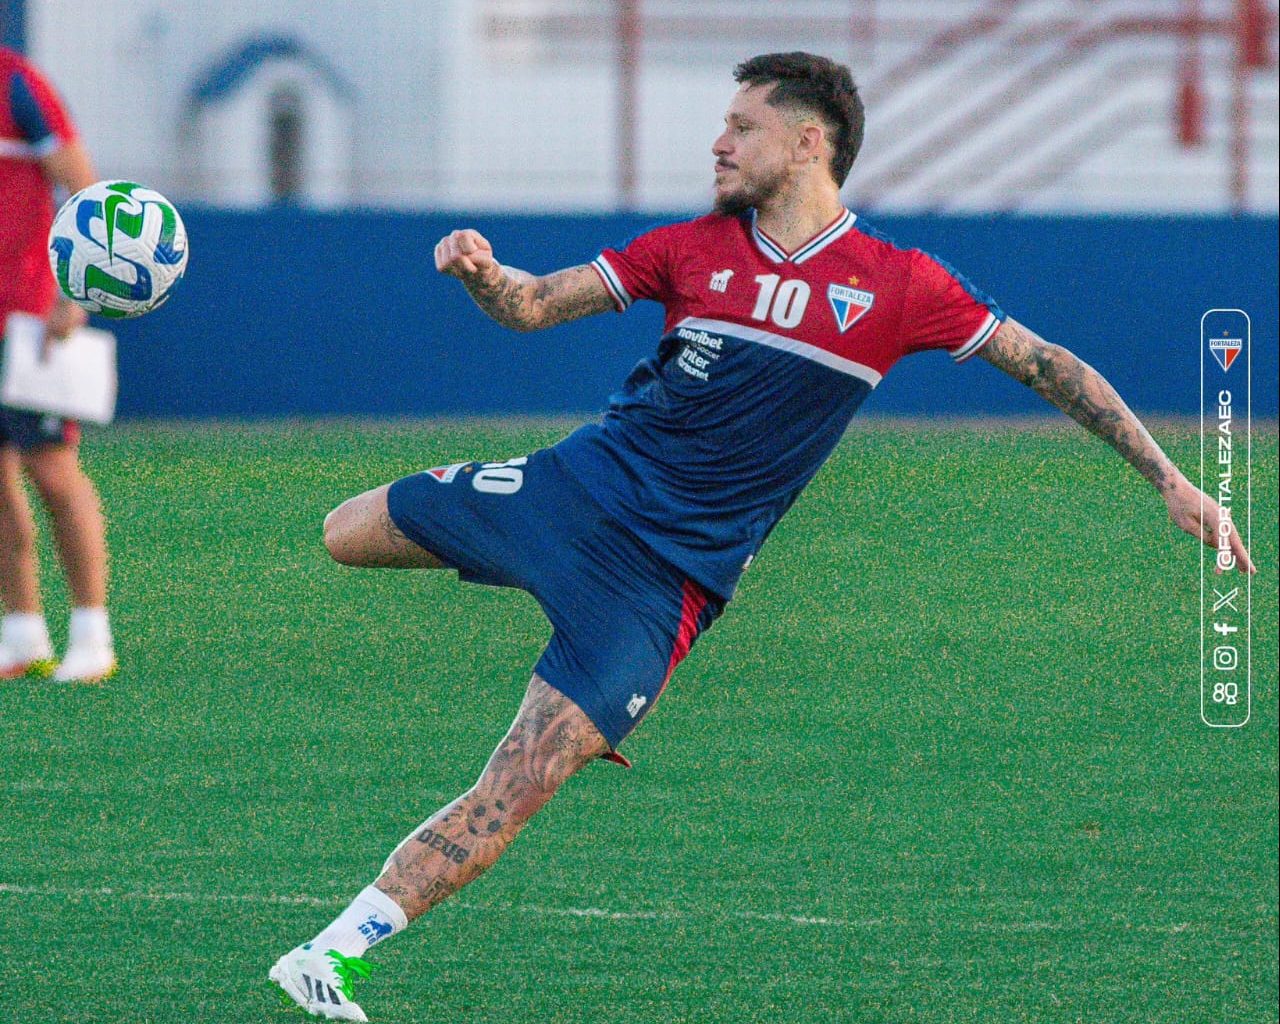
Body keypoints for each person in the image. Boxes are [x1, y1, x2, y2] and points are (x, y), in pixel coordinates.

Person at [270, 52, 1254, 1020]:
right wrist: (478, 272)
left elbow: (1044, 365)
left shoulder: (898, 284)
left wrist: (1168, 478)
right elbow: (530, 305)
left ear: (806, 139)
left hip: (659, 590)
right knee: (342, 532)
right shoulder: (688, 248)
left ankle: (330, 955)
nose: (718, 141)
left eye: (740, 126)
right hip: (567, 491)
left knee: (525, 775)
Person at [0, 46, 115, 683]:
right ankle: (21, 635)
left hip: (27, 322)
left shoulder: (18, 86)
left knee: (53, 475)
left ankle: (92, 633)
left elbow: (88, 194)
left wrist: (76, 292)